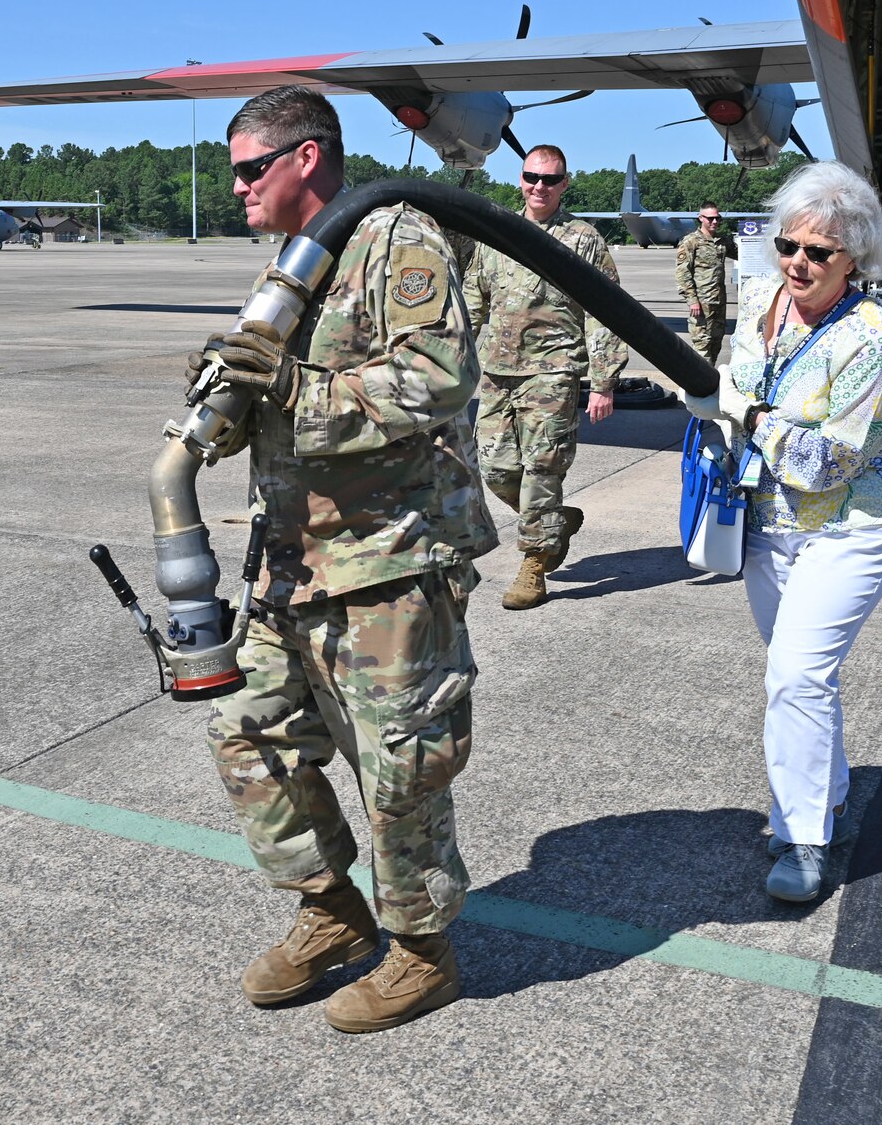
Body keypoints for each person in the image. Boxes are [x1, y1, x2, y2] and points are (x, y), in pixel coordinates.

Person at [187, 85, 496, 1034]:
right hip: (293, 562)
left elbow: (439, 377)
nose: (235, 188)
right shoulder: (291, 263)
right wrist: (228, 399)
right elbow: (277, 397)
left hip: (389, 560)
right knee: (248, 731)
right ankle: (331, 908)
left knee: (400, 767)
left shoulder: (393, 239)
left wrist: (294, 388)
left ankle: (422, 951)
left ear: (306, 159)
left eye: (248, 169)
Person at [696, 161, 882, 904]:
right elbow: (726, 382)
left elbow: (824, 464)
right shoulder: (759, 300)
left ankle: (806, 839)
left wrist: (746, 413)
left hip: (850, 526)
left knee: (796, 677)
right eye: (790, 245)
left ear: (856, 258)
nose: (799, 263)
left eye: (820, 253)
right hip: (765, 524)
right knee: (804, 681)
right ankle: (832, 792)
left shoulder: (875, 336)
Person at [464, 144, 628, 610]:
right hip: (498, 372)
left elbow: (606, 311)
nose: (540, 186)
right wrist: (452, 364)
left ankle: (534, 565)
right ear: (520, 179)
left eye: (550, 180)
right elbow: (475, 300)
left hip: (553, 374)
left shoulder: (581, 239)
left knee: (541, 471)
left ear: (564, 184)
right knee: (496, 472)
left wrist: (602, 381)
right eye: (532, 177)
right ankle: (554, 520)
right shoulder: (496, 232)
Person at [676, 202, 730, 360]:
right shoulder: (691, 242)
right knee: (701, 345)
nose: (714, 222)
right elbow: (682, 273)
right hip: (701, 304)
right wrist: (692, 300)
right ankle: (699, 383)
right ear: (701, 218)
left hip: (719, 302)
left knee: (716, 343)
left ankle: (710, 380)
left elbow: (744, 253)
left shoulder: (722, 241)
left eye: (717, 218)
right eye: (710, 218)